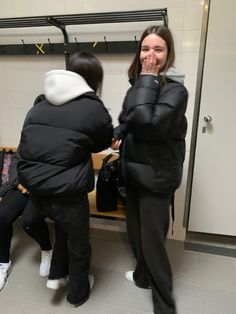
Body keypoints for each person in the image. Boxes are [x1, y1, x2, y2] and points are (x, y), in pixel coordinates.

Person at [17, 51, 113, 307]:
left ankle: (56, 275)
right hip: (68, 193)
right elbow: (102, 143)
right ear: (93, 79)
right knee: (79, 245)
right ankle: (77, 294)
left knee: (62, 232)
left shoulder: (41, 102)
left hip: (38, 190)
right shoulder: (92, 107)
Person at [112, 25, 188, 314]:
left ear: (168, 54)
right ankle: (142, 277)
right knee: (134, 233)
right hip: (133, 171)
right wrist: (120, 129)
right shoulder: (138, 86)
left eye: (158, 49)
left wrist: (147, 78)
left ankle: (165, 307)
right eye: (145, 48)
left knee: (153, 244)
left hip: (157, 176)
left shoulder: (176, 91)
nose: (150, 55)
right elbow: (130, 118)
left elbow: (152, 124)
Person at [0, 151, 53, 291]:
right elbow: (16, 162)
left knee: (30, 222)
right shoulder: (30, 133)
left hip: (44, 189)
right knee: (1, 216)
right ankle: (3, 262)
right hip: (22, 185)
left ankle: (47, 249)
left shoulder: (56, 137)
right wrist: (18, 183)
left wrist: (37, 187)